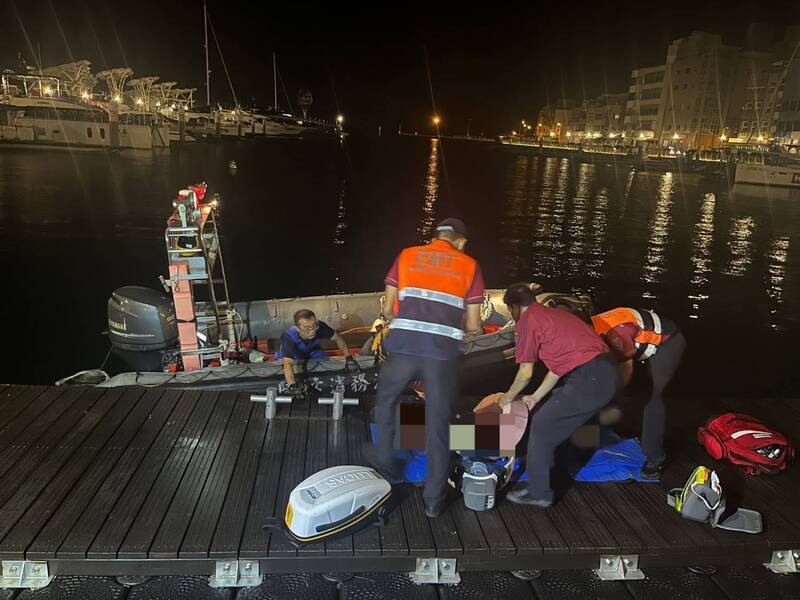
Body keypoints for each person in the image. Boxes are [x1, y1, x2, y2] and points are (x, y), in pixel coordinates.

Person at [369, 217, 485, 518]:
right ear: (460, 241)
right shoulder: (470, 266)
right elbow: (473, 324)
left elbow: (387, 307)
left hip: (403, 347)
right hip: (441, 356)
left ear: (435, 237)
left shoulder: (406, 255)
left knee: (385, 403)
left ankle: (385, 466)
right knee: (438, 424)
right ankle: (433, 502)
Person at [498, 282, 621, 507]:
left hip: (589, 376)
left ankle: (539, 492)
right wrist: (534, 397)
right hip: (607, 371)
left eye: (510, 310)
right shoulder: (554, 316)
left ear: (514, 307)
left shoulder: (527, 322)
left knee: (543, 424)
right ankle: (563, 463)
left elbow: (525, 373)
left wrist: (507, 397)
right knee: (562, 417)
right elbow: (558, 367)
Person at [590, 307, 686, 480]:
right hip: (639, 345)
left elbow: (625, 369)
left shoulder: (614, 334)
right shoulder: (588, 328)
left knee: (653, 399)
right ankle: (605, 430)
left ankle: (655, 457)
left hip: (668, 342)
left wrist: (611, 397)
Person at [274, 309, 359, 392]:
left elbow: (338, 338)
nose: (312, 331)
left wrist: (348, 357)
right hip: (292, 355)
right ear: (297, 328)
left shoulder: (320, 327)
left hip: (312, 350)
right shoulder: (288, 337)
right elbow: (287, 364)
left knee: (324, 362)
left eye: (314, 326)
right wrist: (292, 385)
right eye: (307, 328)